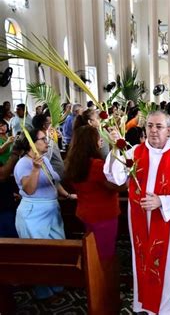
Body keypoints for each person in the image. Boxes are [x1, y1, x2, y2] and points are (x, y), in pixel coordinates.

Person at [104, 110, 170, 314]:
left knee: (166, 263)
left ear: (169, 130)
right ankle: (142, 303)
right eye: (150, 126)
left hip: (165, 219)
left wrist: (162, 201)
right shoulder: (135, 151)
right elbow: (115, 177)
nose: (154, 131)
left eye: (159, 127)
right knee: (141, 259)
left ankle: (163, 308)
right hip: (138, 219)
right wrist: (115, 149)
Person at [14, 127, 76, 299]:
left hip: (51, 209)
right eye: (42, 139)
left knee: (58, 249)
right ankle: (43, 293)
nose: (47, 141)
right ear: (31, 145)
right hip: (33, 213)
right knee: (40, 255)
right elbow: (29, 189)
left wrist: (67, 195)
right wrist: (35, 169)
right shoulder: (23, 164)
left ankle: (57, 285)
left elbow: (53, 181)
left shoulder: (44, 160)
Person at [65, 125, 124, 261]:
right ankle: (103, 280)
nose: (100, 141)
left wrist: (113, 148)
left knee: (93, 249)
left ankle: (95, 276)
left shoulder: (74, 162)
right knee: (105, 253)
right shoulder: (95, 165)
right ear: (91, 142)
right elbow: (116, 185)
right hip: (103, 215)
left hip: (86, 213)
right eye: (98, 139)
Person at [32, 113, 65, 180]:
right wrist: (49, 139)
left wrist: (59, 138)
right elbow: (46, 157)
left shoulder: (47, 136)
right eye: (50, 123)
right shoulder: (42, 140)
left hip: (58, 173)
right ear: (44, 125)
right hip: (53, 175)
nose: (52, 125)